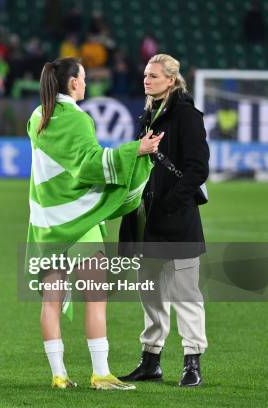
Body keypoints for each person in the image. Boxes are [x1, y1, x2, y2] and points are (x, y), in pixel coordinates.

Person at [26, 57, 161, 390]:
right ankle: (100, 373)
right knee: (95, 297)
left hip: (45, 223)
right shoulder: (77, 120)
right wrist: (136, 150)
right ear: (72, 83)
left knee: (51, 301)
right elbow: (89, 166)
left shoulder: (36, 117)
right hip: (77, 221)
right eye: (83, 78)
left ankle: (58, 375)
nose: (86, 84)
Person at [118, 54, 210, 387]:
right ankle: (151, 361)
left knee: (186, 294)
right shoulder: (147, 115)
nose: (147, 80)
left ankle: (192, 362)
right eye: (145, 75)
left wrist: (171, 202)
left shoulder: (186, 115)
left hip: (176, 220)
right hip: (148, 220)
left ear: (171, 80)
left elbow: (199, 168)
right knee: (151, 294)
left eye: (154, 76)